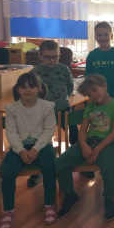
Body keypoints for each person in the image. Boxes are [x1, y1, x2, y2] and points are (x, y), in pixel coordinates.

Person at [54, 74, 114, 221]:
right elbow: (82, 130)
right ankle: (70, 195)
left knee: (109, 168)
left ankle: (109, 200)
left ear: (104, 86)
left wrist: (97, 149)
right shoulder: (90, 106)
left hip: (106, 144)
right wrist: (84, 145)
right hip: (88, 142)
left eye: (94, 90)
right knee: (60, 163)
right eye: (89, 94)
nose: (92, 95)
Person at [0, 72, 57, 228]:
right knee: (7, 170)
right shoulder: (12, 108)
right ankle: (8, 211)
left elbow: (49, 130)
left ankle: (49, 204)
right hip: (19, 147)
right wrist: (21, 150)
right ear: (17, 89)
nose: (27, 90)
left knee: (49, 167)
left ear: (39, 88)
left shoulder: (47, 106)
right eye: (23, 87)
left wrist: (36, 148)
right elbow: (11, 133)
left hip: (42, 146)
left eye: (31, 86)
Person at [30, 40, 74, 187]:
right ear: (40, 56)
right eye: (47, 57)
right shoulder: (35, 72)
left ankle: (79, 162)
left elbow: (69, 86)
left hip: (63, 107)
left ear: (59, 56)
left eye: (55, 57)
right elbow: (31, 92)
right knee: (40, 141)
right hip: (42, 111)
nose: (51, 60)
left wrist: (62, 99)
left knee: (74, 135)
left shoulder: (63, 69)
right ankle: (36, 171)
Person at [86, 21, 114, 103]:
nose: (102, 37)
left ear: (111, 36)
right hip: (97, 96)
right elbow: (88, 77)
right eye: (99, 35)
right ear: (95, 37)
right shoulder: (92, 55)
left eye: (105, 34)